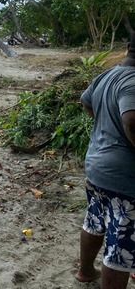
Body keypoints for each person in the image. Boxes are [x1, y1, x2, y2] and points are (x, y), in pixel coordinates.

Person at [77, 41, 135, 288]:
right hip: (124, 178)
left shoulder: (107, 75)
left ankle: (86, 271)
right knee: (120, 245)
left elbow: (86, 100)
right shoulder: (133, 82)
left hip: (97, 168)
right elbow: (131, 121)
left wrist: (105, 127)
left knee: (95, 220)